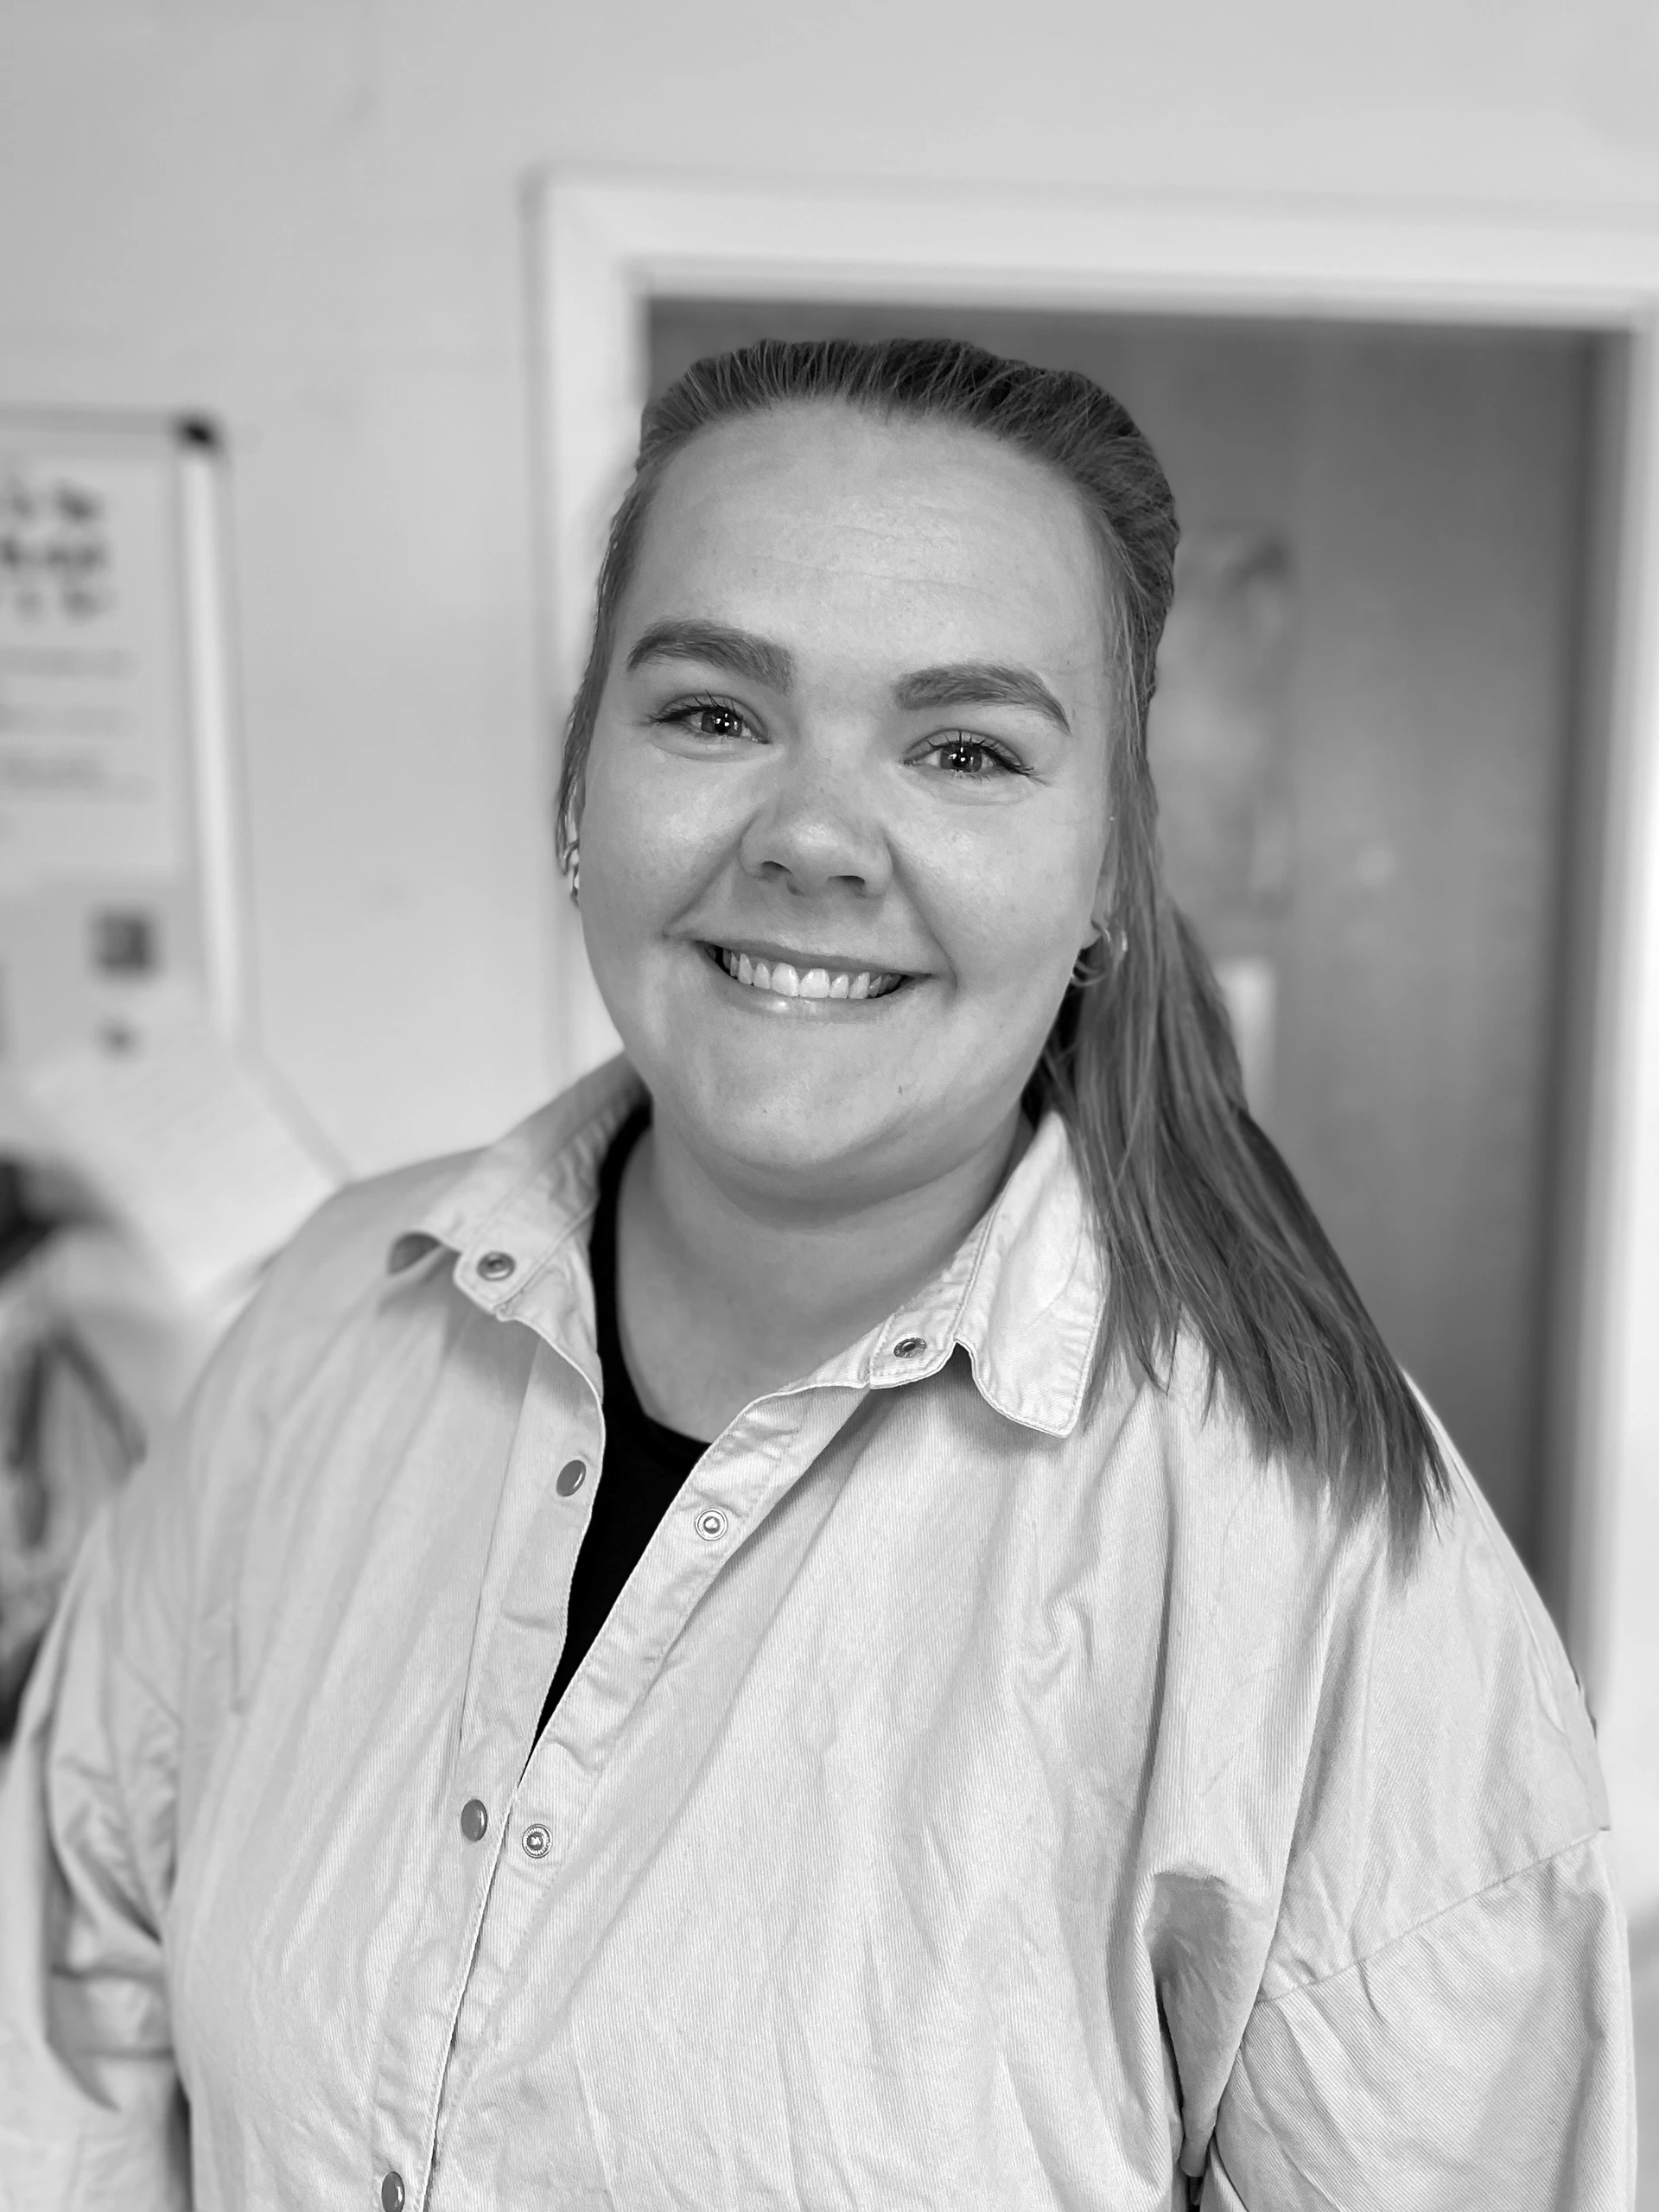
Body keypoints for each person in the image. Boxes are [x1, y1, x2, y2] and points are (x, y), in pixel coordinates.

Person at [0, 337, 1635, 2210]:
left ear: (1108, 873)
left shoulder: (1322, 1548)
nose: (810, 839)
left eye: (965, 750)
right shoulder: (330, 1318)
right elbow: (69, 2014)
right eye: (713, 714)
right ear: (579, 786)